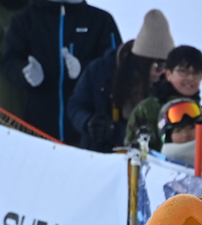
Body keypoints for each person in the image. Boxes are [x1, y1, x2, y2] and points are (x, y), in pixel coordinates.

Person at [1, 0, 119, 143]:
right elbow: (9, 60)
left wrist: (85, 70)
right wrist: (25, 73)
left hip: (88, 134)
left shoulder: (101, 20)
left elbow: (117, 67)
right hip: (37, 133)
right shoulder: (24, 20)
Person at [67, 9, 172, 151]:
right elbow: (75, 105)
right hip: (98, 157)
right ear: (143, 62)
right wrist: (88, 122)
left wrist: (116, 132)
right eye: (158, 66)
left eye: (167, 67)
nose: (162, 73)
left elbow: (161, 131)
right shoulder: (101, 70)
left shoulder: (168, 84)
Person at [123, 44, 202, 152]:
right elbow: (135, 151)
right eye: (183, 71)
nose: (190, 78)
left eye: (197, 73)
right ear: (168, 74)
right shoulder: (148, 109)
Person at [154, 98, 202, 177]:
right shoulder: (159, 165)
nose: (186, 134)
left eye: (191, 128)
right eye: (178, 131)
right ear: (168, 138)